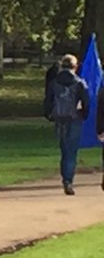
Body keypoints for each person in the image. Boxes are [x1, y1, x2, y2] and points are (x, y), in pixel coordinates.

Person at [44, 53, 90, 195]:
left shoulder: (54, 82)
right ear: (75, 66)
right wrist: (84, 115)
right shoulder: (79, 82)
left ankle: (65, 176)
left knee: (64, 149)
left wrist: (48, 114)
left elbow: (48, 100)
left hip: (59, 117)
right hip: (74, 118)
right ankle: (68, 180)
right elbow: (86, 102)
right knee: (71, 151)